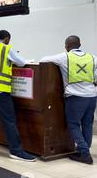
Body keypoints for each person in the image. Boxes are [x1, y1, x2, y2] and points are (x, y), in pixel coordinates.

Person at [0, 30, 36, 162]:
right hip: (0, 89)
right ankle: (16, 151)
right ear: (6, 39)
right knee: (9, 121)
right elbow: (21, 62)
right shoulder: (6, 49)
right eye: (8, 40)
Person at [41, 36, 97, 165]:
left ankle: (85, 153)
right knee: (87, 124)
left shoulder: (64, 57)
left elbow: (43, 60)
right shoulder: (92, 57)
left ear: (66, 46)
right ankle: (84, 150)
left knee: (73, 124)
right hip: (92, 97)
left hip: (76, 97)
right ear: (80, 45)